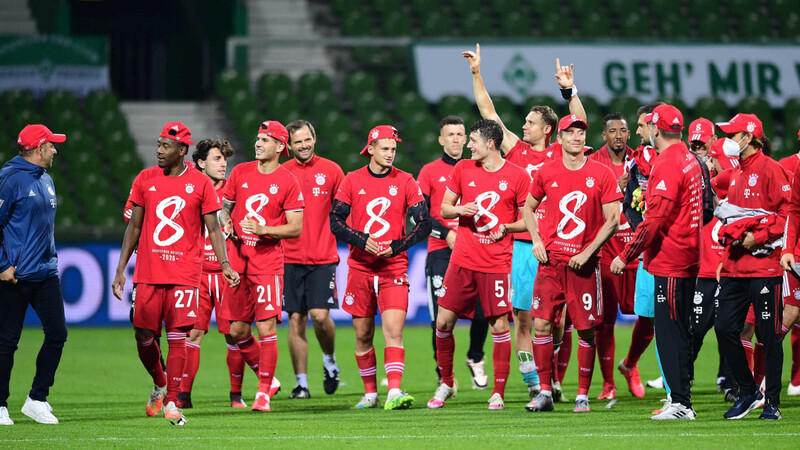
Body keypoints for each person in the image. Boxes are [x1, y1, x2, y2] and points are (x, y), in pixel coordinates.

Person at [463, 43, 588, 400]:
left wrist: (569, 91)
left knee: (559, 320)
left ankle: (554, 376)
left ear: (550, 129)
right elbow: (489, 111)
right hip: (521, 246)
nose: (524, 126)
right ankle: (533, 379)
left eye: (531, 123)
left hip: (557, 243)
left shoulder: (562, 151)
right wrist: (476, 73)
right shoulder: (515, 150)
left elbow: (579, 123)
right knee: (522, 317)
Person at [111, 122, 240, 425]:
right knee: (143, 336)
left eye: (165, 146)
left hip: (184, 273)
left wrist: (224, 264)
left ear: (182, 151)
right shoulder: (145, 178)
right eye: (158, 144)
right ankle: (159, 381)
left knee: (178, 337)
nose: (158, 150)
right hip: (148, 272)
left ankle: (173, 402)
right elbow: (135, 226)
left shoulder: (201, 183)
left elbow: (213, 228)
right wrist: (120, 270)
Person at [426, 119, 528, 411]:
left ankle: (498, 392)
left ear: (490, 144)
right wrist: (459, 209)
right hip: (462, 259)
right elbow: (444, 208)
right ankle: (446, 383)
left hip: (496, 263)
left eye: (472, 140)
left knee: (498, 326)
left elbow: (527, 221)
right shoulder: (462, 169)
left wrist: (506, 228)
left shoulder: (518, 176)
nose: (467, 145)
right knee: (443, 322)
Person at [610, 104, 703, 420]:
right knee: (679, 330)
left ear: (656, 129)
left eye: (644, 125)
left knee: (669, 331)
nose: (640, 131)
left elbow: (654, 220)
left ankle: (680, 403)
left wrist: (626, 256)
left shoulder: (666, 163)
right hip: (689, 256)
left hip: (670, 260)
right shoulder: (691, 159)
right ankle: (680, 399)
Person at [524, 114, 622, 413]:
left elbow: (614, 220)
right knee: (540, 325)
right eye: (570, 133)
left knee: (586, 330)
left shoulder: (602, 173)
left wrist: (588, 251)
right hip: (551, 264)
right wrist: (537, 240)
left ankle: (582, 395)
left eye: (581, 132)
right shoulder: (546, 172)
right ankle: (544, 393)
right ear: (560, 138)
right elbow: (528, 208)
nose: (576, 137)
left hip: (584, 266)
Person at [330, 125, 431, 410]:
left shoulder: (406, 180)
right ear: (370, 149)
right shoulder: (352, 180)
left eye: (394, 149)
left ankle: (394, 391)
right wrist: (363, 241)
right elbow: (335, 221)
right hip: (360, 269)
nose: (390, 154)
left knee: (393, 332)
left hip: (393, 268)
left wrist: (396, 247)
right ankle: (371, 393)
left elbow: (424, 223)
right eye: (385, 148)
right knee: (363, 335)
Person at [218, 120, 304, 412]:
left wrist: (263, 229)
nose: (258, 143)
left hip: (267, 265)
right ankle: (270, 380)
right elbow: (224, 209)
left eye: (265, 140)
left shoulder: (288, 181)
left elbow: (295, 228)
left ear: (280, 147)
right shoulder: (240, 172)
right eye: (257, 138)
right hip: (238, 263)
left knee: (266, 327)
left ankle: (263, 393)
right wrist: (226, 221)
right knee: (239, 331)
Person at [714, 113, 787, 421]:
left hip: (765, 269)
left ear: (750, 137)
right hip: (734, 267)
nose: (729, 141)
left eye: (734, 135)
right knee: (724, 328)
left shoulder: (771, 169)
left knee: (768, 337)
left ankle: (771, 402)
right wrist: (722, 259)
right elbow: (733, 221)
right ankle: (748, 391)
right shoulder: (735, 174)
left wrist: (758, 236)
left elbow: (786, 217)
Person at [0, 124, 67, 425]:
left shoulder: (47, 180)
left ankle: (37, 399)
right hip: (15, 276)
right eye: (52, 145)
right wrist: (2, 264)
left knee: (57, 334)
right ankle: (0, 405)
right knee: (7, 341)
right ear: (39, 148)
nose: (55, 150)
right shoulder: (10, 180)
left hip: (45, 273)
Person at [175, 138, 250, 409]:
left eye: (224, 159)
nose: (223, 164)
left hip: (227, 274)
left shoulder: (235, 190)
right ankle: (183, 395)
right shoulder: (189, 189)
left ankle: (235, 395)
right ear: (200, 163)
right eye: (217, 159)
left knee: (233, 334)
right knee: (193, 334)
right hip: (198, 275)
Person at [417, 115, 489, 389]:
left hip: (477, 249)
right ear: (441, 140)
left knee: (485, 309)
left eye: (461, 134)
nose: (457, 139)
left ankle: (475, 356)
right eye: (451, 135)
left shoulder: (479, 168)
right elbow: (420, 216)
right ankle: (443, 373)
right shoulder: (429, 171)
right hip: (441, 251)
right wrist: (446, 232)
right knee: (441, 318)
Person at [282, 120, 344, 398]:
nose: (304, 145)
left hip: (322, 256)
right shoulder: (282, 173)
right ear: (288, 146)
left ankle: (330, 362)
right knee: (296, 318)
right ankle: (301, 383)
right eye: (298, 142)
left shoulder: (332, 170)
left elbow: (345, 210)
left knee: (320, 317)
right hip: (288, 257)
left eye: (307, 139)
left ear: (314, 138)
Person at [588, 112, 636, 400]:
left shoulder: (643, 160)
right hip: (606, 250)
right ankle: (609, 384)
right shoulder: (593, 164)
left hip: (638, 250)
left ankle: (630, 364)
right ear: (603, 136)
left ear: (629, 134)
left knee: (650, 316)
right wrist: (613, 189)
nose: (618, 135)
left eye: (623, 130)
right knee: (604, 321)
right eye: (612, 131)